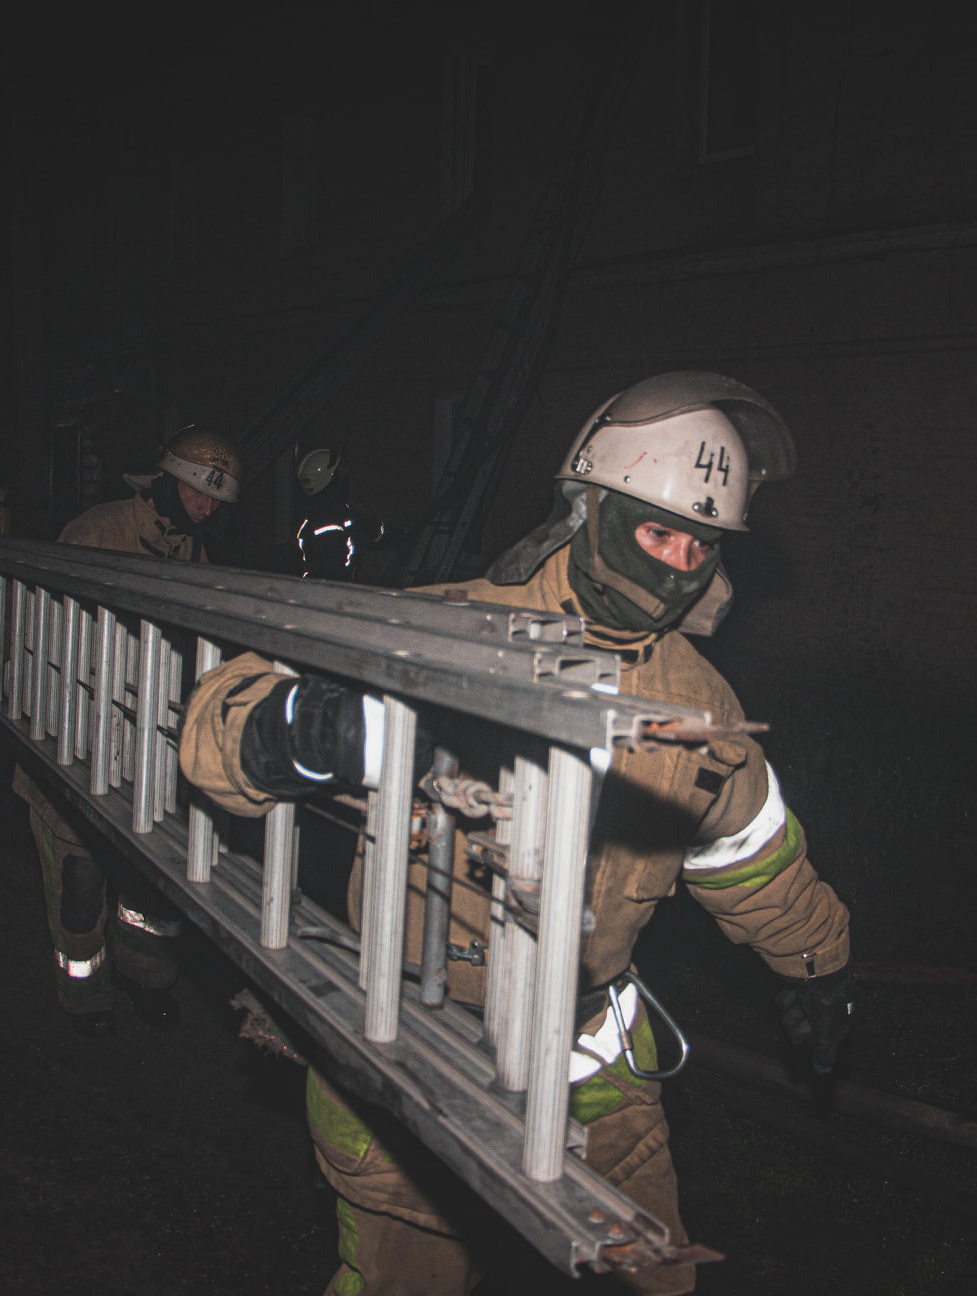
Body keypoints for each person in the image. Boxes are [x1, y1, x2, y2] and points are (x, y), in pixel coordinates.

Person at [178, 373, 855, 1295]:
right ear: (590, 511)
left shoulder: (701, 707)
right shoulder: (439, 633)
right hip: (410, 1050)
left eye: (701, 547)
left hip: (594, 1062)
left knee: (656, 1278)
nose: (677, 567)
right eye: (658, 532)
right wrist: (290, 729)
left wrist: (817, 963)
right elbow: (216, 726)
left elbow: (749, 853)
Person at [0, 425, 242, 1036]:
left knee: (149, 884)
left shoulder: (191, 550)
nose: (206, 509)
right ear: (169, 481)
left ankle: (147, 977)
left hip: (144, 744)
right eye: (198, 493)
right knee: (79, 880)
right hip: (73, 734)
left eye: (216, 501)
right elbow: (42, 627)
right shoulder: (98, 533)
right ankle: (85, 996)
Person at [293, 447, 390, 581]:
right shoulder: (333, 522)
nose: (345, 477)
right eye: (339, 473)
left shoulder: (315, 516)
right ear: (331, 480)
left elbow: (375, 531)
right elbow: (334, 575)